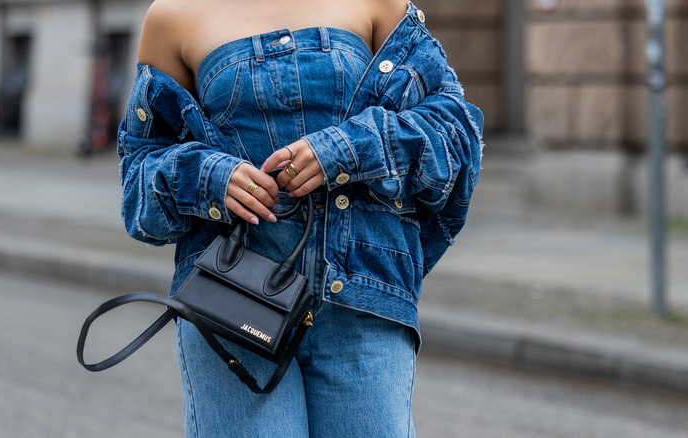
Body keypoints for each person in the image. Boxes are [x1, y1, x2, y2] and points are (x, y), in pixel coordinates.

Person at [118, 0, 483, 436]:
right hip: (233, 307)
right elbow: (138, 176)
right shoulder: (173, 15)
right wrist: (212, 178)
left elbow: (457, 134)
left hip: (363, 304)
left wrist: (348, 148)